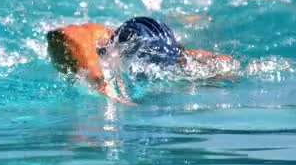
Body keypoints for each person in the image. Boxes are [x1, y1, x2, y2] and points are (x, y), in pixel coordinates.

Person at [46, 16, 236, 104]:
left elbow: (226, 62)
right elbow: (62, 34)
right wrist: (99, 81)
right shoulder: (100, 41)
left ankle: (188, 18)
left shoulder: (175, 57)